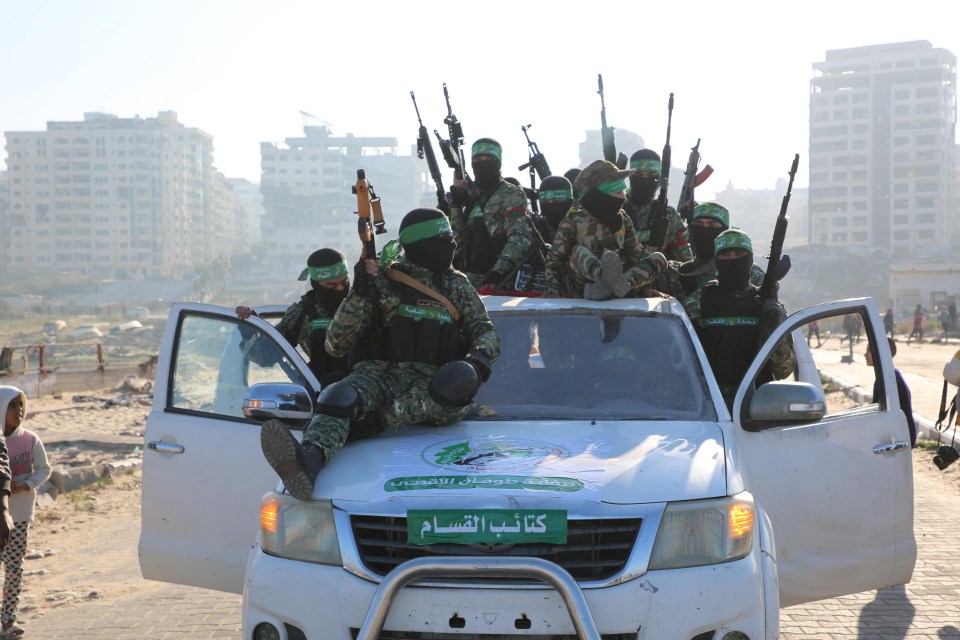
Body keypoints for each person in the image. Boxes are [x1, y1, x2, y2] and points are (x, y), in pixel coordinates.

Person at [260, 208, 501, 500]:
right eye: (444, 237)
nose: (451, 243)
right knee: (338, 396)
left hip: (433, 386)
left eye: (451, 237)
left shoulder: (457, 285)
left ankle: (371, 425)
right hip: (379, 376)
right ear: (421, 244)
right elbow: (336, 343)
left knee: (460, 378)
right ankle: (309, 460)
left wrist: (480, 357)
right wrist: (358, 292)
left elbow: (485, 330)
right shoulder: (382, 281)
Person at [683, 228, 795, 408]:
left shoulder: (769, 307)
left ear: (750, 259)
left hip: (757, 409)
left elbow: (784, 370)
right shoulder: (695, 304)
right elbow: (681, 365)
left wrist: (770, 328)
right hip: (709, 408)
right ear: (716, 260)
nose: (733, 259)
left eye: (739, 253)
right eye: (725, 254)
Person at [544, 160, 667, 300]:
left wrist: (645, 288)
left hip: (622, 283)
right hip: (584, 287)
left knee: (659, 259)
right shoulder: (574, 221)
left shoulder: (624, 219)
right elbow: (554, 262)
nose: (623, 197)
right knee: (576, 251)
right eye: (618, 191)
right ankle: (605, 282)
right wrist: (555, 293)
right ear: (600, 194)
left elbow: (637, 255)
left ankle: (615, 288)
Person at [236, 248, 357, 386]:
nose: (340, 289)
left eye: (344, 282)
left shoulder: (364, 305)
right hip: (327, 397)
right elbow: (265, 356)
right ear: (315, 285)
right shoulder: (302, 314)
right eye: (332, 285)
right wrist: (249, 328)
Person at [450, 138, 534, 289]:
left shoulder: (510, 194)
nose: (483, 163)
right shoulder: (469, 196)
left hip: (498, 282)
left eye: (489, 159)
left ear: (498, 162)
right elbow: (457, 241)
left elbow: (520, 236)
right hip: (466, 279)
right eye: (477, 159)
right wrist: (456, 205)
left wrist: (497, 273)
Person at [0, 386, 50, 639]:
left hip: (19, 516)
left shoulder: (30, 439)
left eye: (21, 405)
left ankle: (9, 621)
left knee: (14, 568)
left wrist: (27, 484)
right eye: (12, 405)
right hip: (0, 513)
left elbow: (44, 469)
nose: (19, 410)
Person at [661, 202, 767, 301]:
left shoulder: (752, 273)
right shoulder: (674, 272)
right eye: (698, 225)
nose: (704, 231)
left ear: (724, 230)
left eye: (712, 226)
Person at [621, 149, 693, 262]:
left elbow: (685, 260)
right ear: (630, 176)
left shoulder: (669, 215)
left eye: (651, 175)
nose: (645, 180)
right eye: (639, 175)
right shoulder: (617, 209)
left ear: (659, 179)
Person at [866, 339, 916, 447]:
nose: (865, 354)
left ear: (880, 352)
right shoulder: (889, 374)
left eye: (869, 350)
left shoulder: (888, 378)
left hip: (898, 439)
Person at [536, 174, 575, 245]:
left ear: (569, 201)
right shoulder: (536, 229)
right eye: (546, 202)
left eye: (556, 201)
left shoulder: (583, 225)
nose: (551, 206)